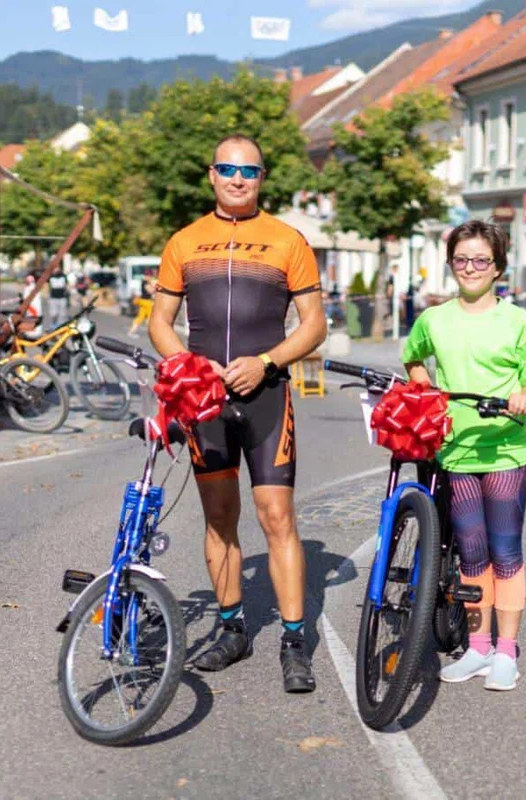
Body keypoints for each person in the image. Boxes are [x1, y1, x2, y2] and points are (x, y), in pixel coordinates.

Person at [147, 134, 328, 694]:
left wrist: (268, 361)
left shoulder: (288, 240)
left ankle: (295, 642)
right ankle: (232, 628)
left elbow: (315, 324)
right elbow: (159, 322)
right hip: (205, 402)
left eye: (249, 171)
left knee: (277, 517)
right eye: (227, 168)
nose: (237, 178)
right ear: (211, 174)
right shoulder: (184, 242)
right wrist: (188, 368)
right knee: (219, 519)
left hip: (265, 395)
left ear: (262, 177)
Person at [402, 220, 526, 692]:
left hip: (504, 448)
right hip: (456, 450)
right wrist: (421, 381)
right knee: (472, 551)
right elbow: (413, 356)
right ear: (451, 265)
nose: (470, 268)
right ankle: (478, 645)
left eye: (480, 260)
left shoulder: (518, 321)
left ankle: (506, 652)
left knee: (505, 550)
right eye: (461, 260)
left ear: (498, 267)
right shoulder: (434, 319)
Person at [46, 265, 70, 330]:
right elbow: (48, 286)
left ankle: (60, 328)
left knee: (62, 315)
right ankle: (53, 325)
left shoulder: (63, 276)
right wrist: (48, 295)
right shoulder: (51, 277)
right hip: (53, 297)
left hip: (62, 297)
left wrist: (68, 296)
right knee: (53, 314)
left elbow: (66, 285)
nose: (56, 270)